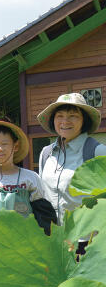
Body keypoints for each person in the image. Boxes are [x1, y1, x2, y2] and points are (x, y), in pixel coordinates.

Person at [0, 120, 55, 231]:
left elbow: (44, 214)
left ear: (16, 146)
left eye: (4, 144)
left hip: (26, 241)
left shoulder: (31, 177)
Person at [36, 93, 106, 224]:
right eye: (60, 116)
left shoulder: (97, 152)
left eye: (73, 116)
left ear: (84, 120)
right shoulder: (46, 153)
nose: (65, 121)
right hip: (53, 236)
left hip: (84, 238)